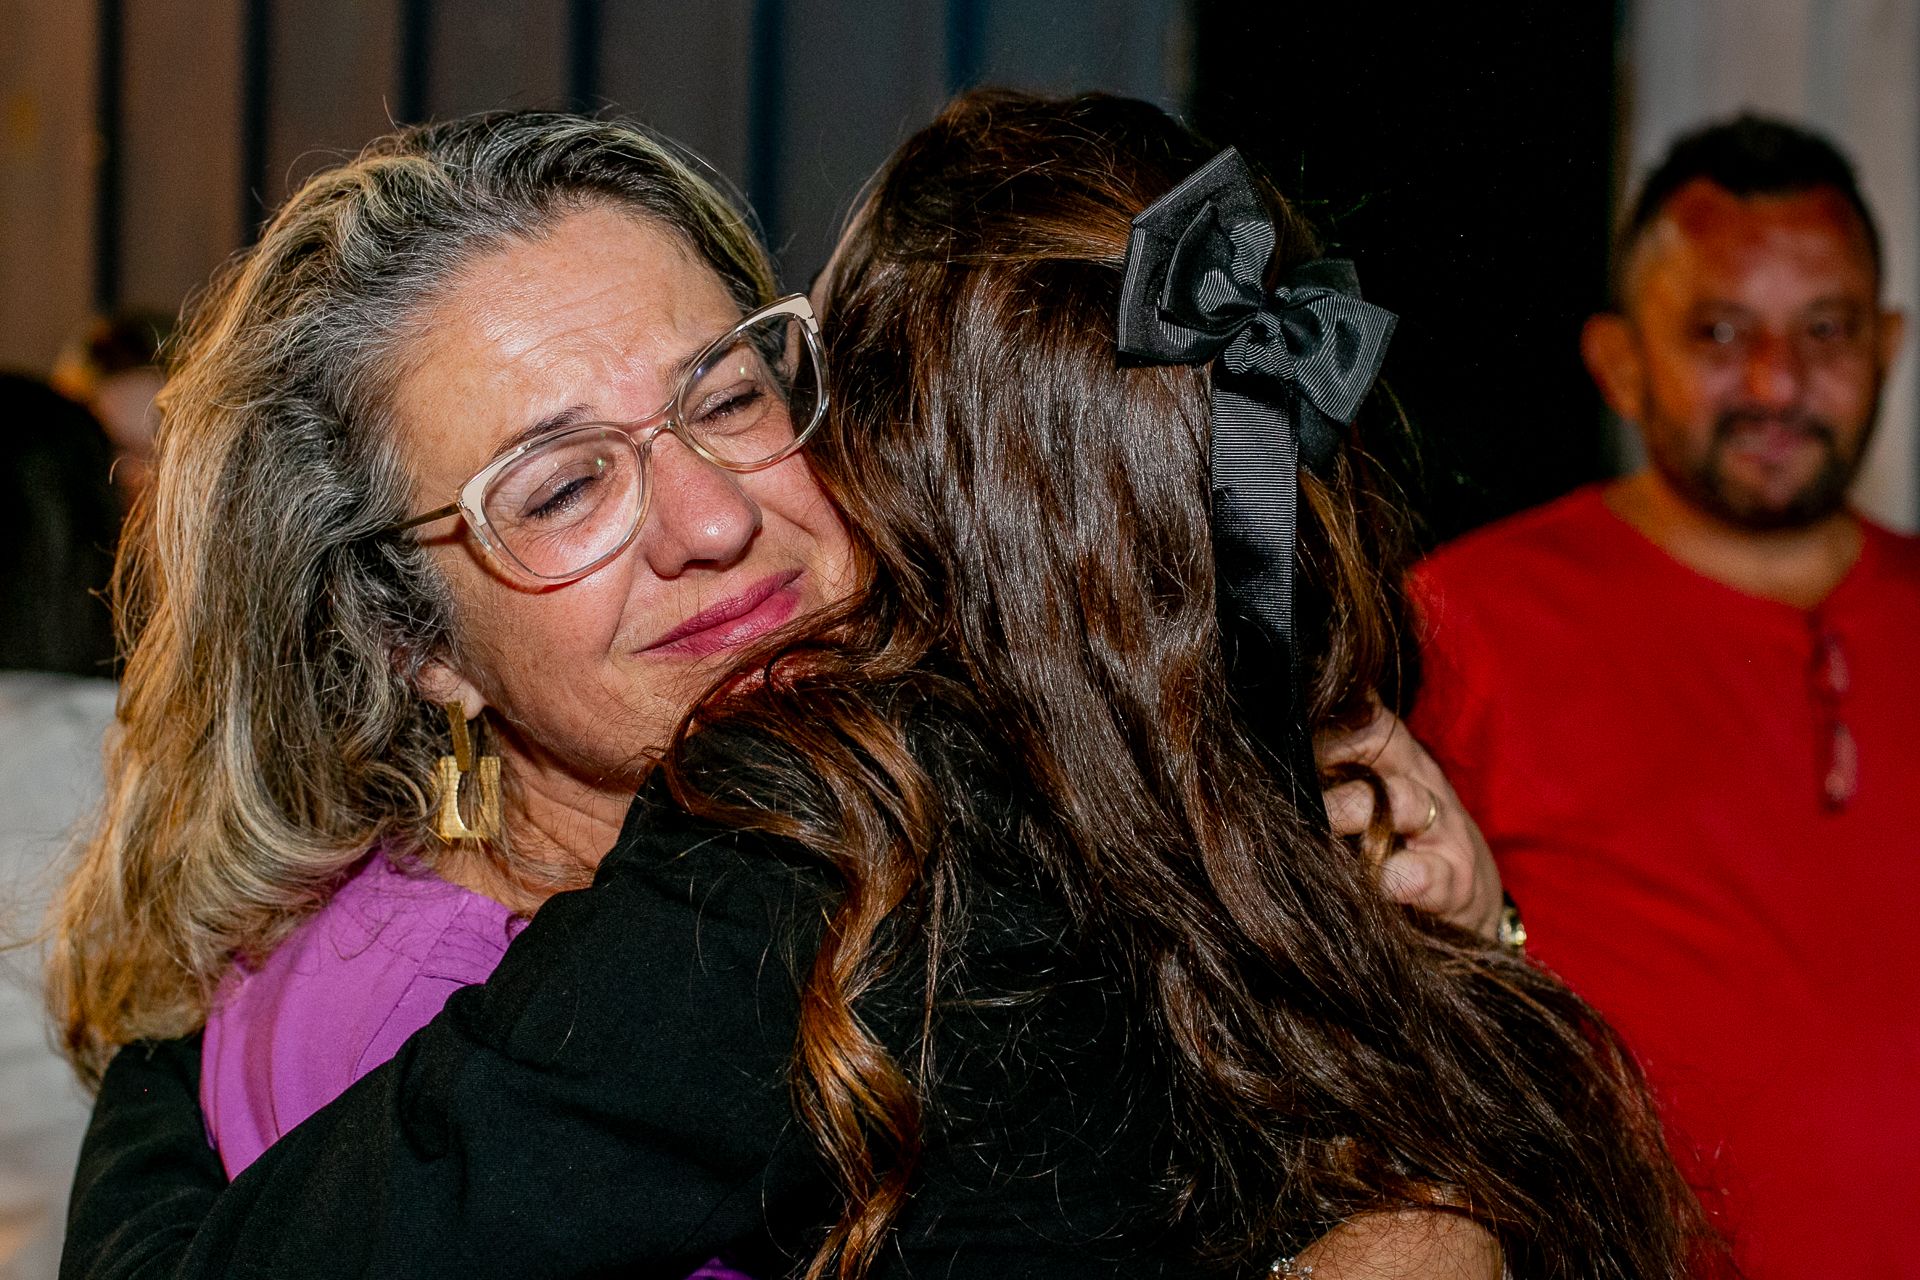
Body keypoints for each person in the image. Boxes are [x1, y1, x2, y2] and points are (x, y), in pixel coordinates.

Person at [57, 93, 1711, 1277]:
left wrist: (1450, 946)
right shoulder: (572, 955)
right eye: (562, 489)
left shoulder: (986, 752)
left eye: (728, 396)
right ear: (410, 642)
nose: (715, 521)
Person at [1408, 114, 1916, 1275]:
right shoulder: (1463, 623)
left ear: (1886, 345)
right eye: (1720, 330)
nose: (1778, 380)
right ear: (1621, 360)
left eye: (1826, 329)